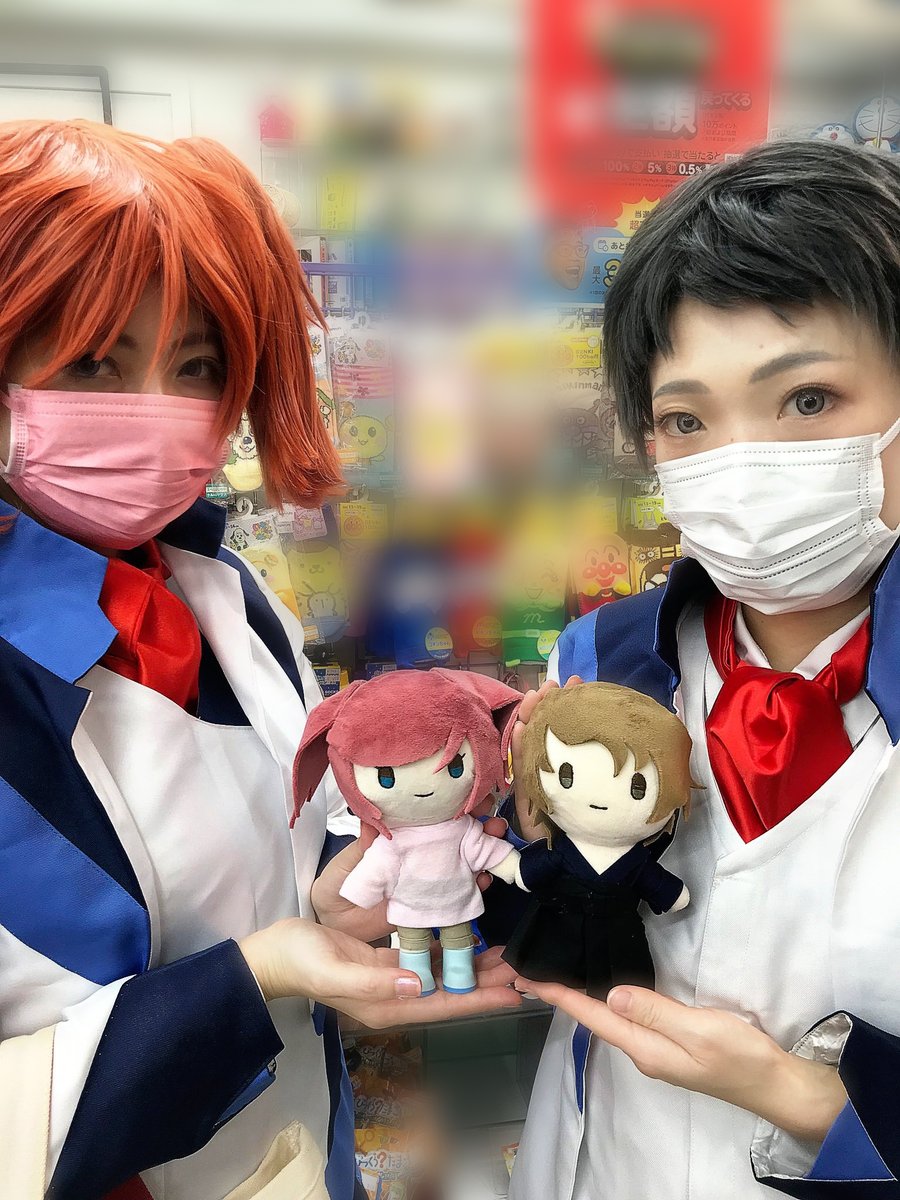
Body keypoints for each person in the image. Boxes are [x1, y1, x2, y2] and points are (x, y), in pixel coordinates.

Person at [0, 118, 520, 1200]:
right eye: (94, 362)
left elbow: (281, 842)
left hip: (298, 1152)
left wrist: (334, 907)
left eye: (194, 366)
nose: (156, 413)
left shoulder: (227, 594)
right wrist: (258, 976)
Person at [500, 139, 900, 1197]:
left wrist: (810, 1102)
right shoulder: (604, 660)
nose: (741, 463)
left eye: (807, 400)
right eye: (686, 419)